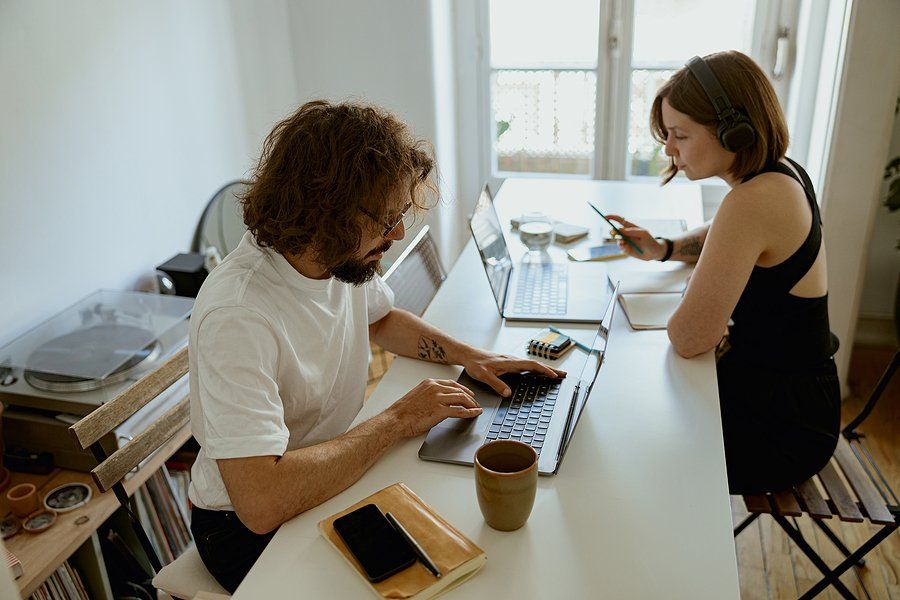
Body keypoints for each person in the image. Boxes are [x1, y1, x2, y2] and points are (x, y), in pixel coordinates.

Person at [187, 100, 564, 592]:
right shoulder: (238, 314)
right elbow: (261, 502)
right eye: (388, 219)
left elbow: (382, 319)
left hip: (324, 472)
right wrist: (398, 419)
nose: (399, 232)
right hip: (246, 528)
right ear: (328, 210)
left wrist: (473, 357)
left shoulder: (332, 256)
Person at [607, 51, 840, 495]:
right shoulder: (781, 175)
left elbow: (689, 337)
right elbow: (722, 235)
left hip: (783, 427)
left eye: (680, 135)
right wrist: (667, 249)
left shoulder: (752, 201)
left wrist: (692, 294)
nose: (669, 150)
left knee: (626, 440)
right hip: (795, 399)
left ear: (735, 132)